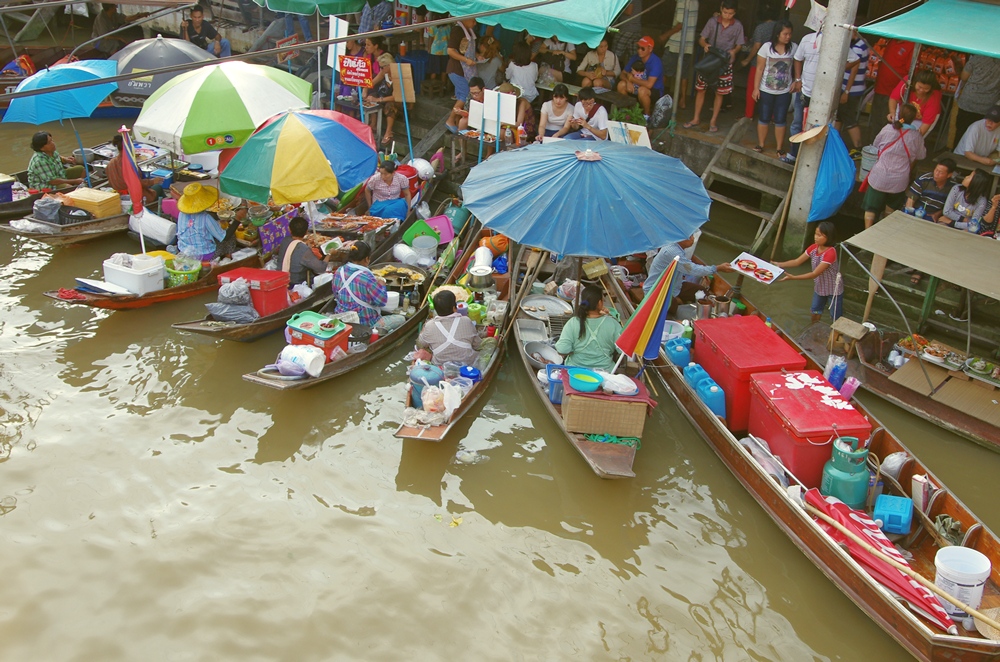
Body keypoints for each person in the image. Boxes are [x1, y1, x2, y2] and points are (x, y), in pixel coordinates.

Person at [781, 23, 859, 164]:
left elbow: (855, 60)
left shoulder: (838, 43)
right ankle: (794, 155)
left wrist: (838, 68)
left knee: (821, 127)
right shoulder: (807, 40)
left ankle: (815, 159)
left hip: (825, 95)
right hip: (804, 91)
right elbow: (798, 59)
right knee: (797, 124)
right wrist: (798, 79)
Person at [683, 0, 744, 133]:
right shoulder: (712, 21)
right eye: (725, 12)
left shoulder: (738, 26)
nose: (727, 15)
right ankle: (696, 118)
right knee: (701, 89)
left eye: (730, 13)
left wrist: (733, 51)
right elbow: (701, 39)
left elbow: (739, 44)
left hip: (724, 63)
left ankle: (713, 121)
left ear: (735, 13)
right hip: (709, 61)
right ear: (721, 9)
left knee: (719, 93)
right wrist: (705, 45)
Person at [863, 103, 926, 229]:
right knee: (890, 210)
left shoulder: (887, 129)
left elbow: (876, 145)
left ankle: (866, 233)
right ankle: (884, 232)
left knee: (871, 208)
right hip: (899, 179)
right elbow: (922, 155)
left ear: (898, 114)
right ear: (914, 118)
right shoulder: (916, 136)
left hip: (879, 176)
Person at [644, 236, 735, 313]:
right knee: (673, 307)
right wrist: (717, 268)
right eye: (690, 237)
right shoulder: (672, 251)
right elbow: (692, 269)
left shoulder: (678, 248)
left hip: (674, 286)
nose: (693, 239)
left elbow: (690, 264)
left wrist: (705, 269)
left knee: (701, 291)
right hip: (657, 290)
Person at [774, 221, 844, 323]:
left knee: (835, 317)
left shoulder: (830, 252)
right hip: (820, 287)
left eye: (820, 235)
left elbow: (814, 273)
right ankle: (813, 329)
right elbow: (797, 261)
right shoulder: (813, 248)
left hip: (834, 289)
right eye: (816, 234)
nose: (816, 237)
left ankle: (836, 336)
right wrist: (779, 264)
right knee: (815, 311)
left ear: (829, 237)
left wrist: (793, 277)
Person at [554, 284, 622, 372]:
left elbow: (562, 350)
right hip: (605, 374)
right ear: (600, 303)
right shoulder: (613, 324)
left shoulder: (574, 322)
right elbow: (622, 350)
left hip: (575, 372)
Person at [751, 20, 795, 157]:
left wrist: (796, 81)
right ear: (777, 34)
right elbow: (759, 68)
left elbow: (799, 65)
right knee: (764, 117)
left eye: (789, 34)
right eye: (785, 34)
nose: (788, 37)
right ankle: (761, 144)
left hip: (785, 90)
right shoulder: (766, 47)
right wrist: (755, 88)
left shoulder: (794, 47)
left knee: (781, 119)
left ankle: (779, 147)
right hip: (766, 89)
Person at [332, 241, 387, 332]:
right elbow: (381, 301)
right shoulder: (367, 278)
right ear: (366, 259)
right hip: (364, 322)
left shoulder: (339, 271)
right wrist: (382, 286)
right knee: (400, 319)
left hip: (342, 318)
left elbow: (336, 294)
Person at [417, 289, 482, 366]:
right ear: (454, 308)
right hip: (468, 364)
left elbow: (421, 344)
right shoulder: (466, 320)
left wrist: (424, 328)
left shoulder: (429, 325)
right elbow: (477, 344)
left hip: (441, 365)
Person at [868, 39, 913, 144]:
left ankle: (883, 148)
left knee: (888, 123)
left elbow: (910, 72)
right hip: (880, 87)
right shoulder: (892, 41)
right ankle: (872, 147)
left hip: (893, 92)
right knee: (875, 120)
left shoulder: (911, 45)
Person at [836, 25, 869, 159]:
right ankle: (834, 142)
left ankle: (857, 147)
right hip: (848, 88)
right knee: (838, 115)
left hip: (851, 89)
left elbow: (853, 70)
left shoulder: (858, 47)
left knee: (849, 118)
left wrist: (846, 92)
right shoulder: (859, 44)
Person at [659, 0, 698, 109]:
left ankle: (659, 98)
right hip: (688, 45)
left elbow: (680, 25)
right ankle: (683, 100)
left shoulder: (682, 2)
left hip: (675, 44)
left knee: (664, 72)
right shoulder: (695, 2)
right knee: (684, 75)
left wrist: (665, 35)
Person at [740, 3, 776, 119]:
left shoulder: (760, 28)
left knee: (752, 88)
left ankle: (748, 114)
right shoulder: (778, 27)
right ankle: (771, 116)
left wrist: (747, 60)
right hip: (774, 64)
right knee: (771, 90)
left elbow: (756, 46)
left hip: (758, 63)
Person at [104, 134, 162, 204]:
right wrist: (153, 181)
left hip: (119, 195)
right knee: (158, 187)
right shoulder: (128, 164)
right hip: (133, 196)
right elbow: (135, 183)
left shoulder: (111, 163)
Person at [955, 55, 1000, 143]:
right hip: (988, 106)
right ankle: (973, 156)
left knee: (961, 132)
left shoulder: (977, 57)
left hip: (968, 101)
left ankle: (956, 155)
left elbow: (964, 77)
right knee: (980, 136)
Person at [617, 36, 664, 118]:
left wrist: (632, 79)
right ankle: (628, 112)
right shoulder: (635, 57)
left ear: (650, 49)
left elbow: (649, 85)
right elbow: (622, 74)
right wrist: (628, 81)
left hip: (654, 90)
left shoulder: (656, 62)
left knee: (642, 90)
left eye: (642, 48)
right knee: (621, 85)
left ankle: (647, 116)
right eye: (638, 47)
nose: (639, 50)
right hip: (635, 86)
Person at [176, 183, 225, 259]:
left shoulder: (181, 214)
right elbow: (223, 237)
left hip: (183, 250)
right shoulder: (206, 218)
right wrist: (237, 220)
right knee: (230, 237)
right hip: (204, 254)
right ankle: (226, 256)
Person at [276, 216, 329, 286]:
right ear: (306, 232)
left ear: (289, 229)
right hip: (295, 283)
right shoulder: (304, 250)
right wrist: (330, 254)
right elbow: (321, 269)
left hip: (280, 278)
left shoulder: (285, 240)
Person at [888, 70, 942, 136]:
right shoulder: (908, 81)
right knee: (895, 131)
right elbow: (894, 98)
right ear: (915, 82)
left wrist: (916, 138)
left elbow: (925, 124)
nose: (922, 90)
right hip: (904, 117)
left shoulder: (934, 98)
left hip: (921, 121)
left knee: (910, 137)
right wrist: (892, 112)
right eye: (920, 87)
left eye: (926, 89)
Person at [906, 157, 957, 223]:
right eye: (936, 170)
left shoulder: (953, 187)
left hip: (934, 216)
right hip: (917, 211)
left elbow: (950, 207)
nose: (936, 174)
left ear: (949, 175)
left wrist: (937, 214)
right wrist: (909, 215)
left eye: (941, 172)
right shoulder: (923, 180)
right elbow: (910, 200)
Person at [505, 40, 539, 127]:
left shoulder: (512, 64)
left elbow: (507, 77)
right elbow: (535, 79)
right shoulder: (534, 65)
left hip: (516, 95)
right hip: (531, 96)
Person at [446, 17, 477, 102]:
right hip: (457, 69)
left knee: (460, 96)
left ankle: (458, 115)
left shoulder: (469, 31)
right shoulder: (457, 31)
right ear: (465, 19)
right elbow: (450, 51)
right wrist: (466, 60)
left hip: (463, 71)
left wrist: (477, 56)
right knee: (465, 95)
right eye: (473, 20)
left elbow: (466, 50)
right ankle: (452, 116)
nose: (475, 23)